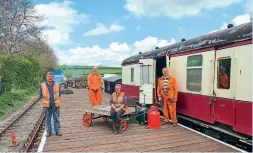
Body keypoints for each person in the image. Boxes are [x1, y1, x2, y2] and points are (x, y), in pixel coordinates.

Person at [40, 71, 62, 137]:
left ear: (53, 77)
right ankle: (48, 131)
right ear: (46, 77)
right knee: (47, 119)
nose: (50, 77)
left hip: (56, 104)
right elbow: (41, 95)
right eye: (48, 76)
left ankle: (57, 131)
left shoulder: (57, 85)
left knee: (56, 118)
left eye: (51, 76)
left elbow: (59, 94)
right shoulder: (42, 85)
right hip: (47, 105)